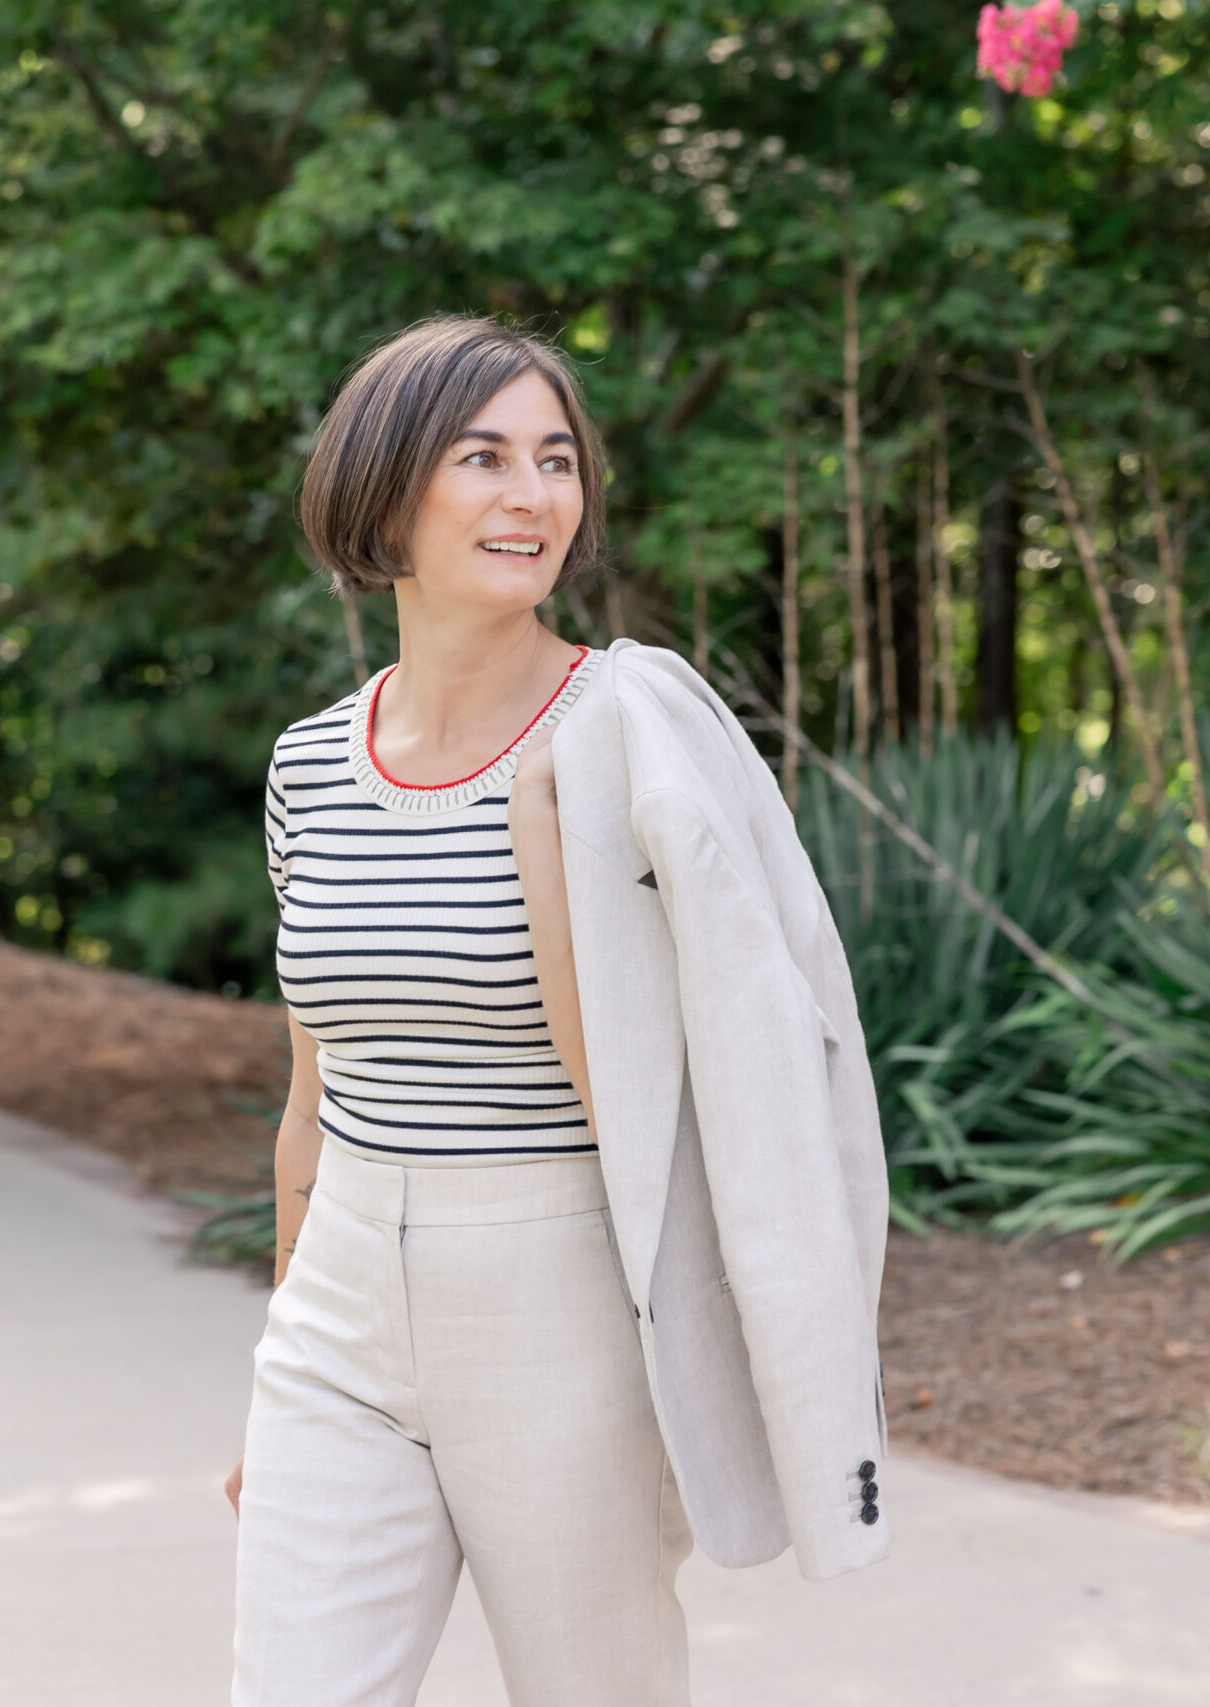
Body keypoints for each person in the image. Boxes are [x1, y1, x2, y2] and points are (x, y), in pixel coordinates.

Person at [225, 315, 891, 1707]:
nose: (534, 496)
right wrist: (282, 1340)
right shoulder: (308, 767)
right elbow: (316, 1092)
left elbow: (687, 1099)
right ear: (387, 489)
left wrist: (551, 854)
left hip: (559, 1289)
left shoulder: (627, 734)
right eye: (484, 458)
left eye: (556, 460)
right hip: (339, 1302)